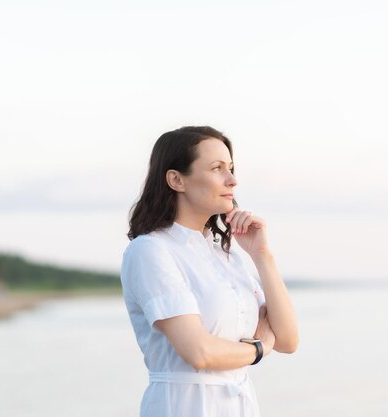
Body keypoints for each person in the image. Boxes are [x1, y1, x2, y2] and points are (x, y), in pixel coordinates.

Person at [120, 126, 299, 417]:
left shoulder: (226, 255)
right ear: (176, 180)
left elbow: (289, 340)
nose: (232, 180)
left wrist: (261, 255)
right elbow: (199, 352)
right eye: (217, 168)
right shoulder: (151, 251)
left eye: (231, 168)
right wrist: (259, 349)